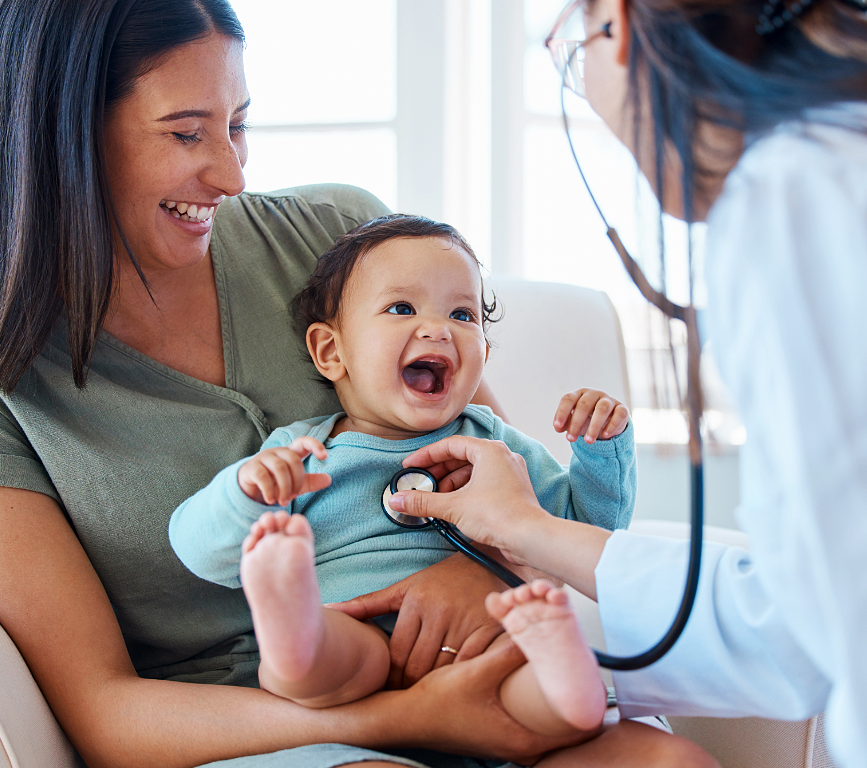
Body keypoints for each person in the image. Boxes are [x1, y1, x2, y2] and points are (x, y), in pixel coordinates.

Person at [0, 1, 720, 767]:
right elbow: (105, 712)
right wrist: (396, 721)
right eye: (186, 134)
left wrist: (479, 572)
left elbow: (491, 471)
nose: (230, 174)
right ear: (62, 138)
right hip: (264, 732)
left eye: (239, 125)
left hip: (476, 665)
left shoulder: (335, 236)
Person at [365, 1, 867, 767]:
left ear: (617, 25)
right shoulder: (859, 151)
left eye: (574, 51)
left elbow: (819, 627)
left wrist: (533, 526)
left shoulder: (799, 197)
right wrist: (523, 532)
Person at [169, 214, 635, 740]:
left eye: (463, 313)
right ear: (331, 352)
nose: (439, 328)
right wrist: (245, 493)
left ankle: (565, 679)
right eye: (401, 308)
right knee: (315, 664)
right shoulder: (303, 454)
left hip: (484, 642)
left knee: (535, 695)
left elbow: (582, 531)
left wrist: (599, 451)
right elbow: (200, 551)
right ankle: (292, 622)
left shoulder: (495, 446)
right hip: (353, 631)